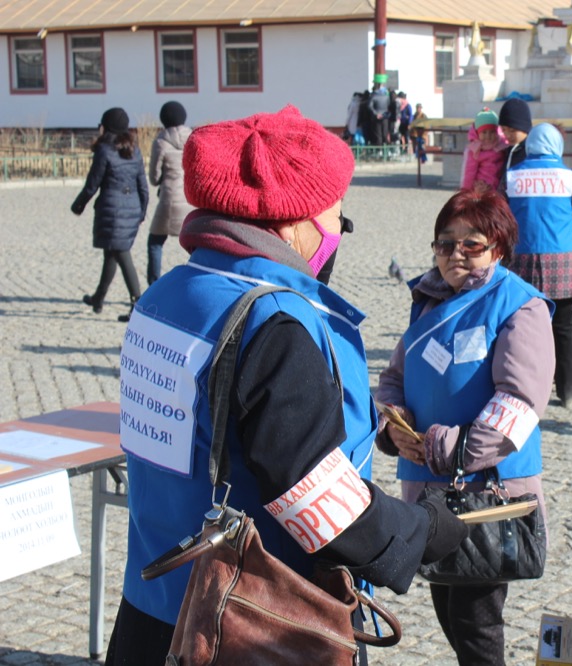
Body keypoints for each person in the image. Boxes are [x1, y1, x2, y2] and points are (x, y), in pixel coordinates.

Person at [105, 106, 468, 665]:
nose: (336, 232)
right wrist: (419, 529)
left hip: (154, 609)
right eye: (335, 217)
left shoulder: (164, 295)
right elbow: (318, 506)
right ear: (292, 222)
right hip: (251, 625)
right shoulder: (273, 325)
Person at [375, 186, 555, 666]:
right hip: (428, 489)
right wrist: (393, 425)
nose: (456, 254)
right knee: (449, 610)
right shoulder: (429, 302)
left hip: (483, 492)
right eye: (444, 243)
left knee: (477, 626)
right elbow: (394, 377)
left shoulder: (520, 305)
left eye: (471, 243)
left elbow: (519, 399)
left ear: (498, 246)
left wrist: (451, 449)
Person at [505, 123, 572, 406]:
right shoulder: (569, 176)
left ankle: (527, 391)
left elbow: (502, 217)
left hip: (522, 261)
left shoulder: (512, 176)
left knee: (525, 328)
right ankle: (568, 392)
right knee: (564, 328)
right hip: (563, 260)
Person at [71, 107, 148, 322]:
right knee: (111, 254)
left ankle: (137, 303)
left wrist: (78, 206)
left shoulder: (105, 150)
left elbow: (92, 184)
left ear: (107, 127)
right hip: (131, 209)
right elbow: (142, 185)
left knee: (122, 254)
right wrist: (142, 210)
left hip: (113, 210)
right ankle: (98, 298)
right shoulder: (135, 149)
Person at [146, 101, 195, 286]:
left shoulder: (161, 142)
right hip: (190, 199)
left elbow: (154, 177)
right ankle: (192, 281)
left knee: (155, 242)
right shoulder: (193, 138)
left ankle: (154, 284)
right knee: (193, 245)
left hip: (169, 199)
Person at [461, 108, 508, 191]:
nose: (488, 136)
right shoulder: (475, 150)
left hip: (499, 188)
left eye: (492, 132)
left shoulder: (502, 145)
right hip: (481, 189)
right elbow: (469, 173)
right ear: (477, 133)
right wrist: (466, 192)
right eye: (484, 132)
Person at [496, 97, 533, 194]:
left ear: (524, 128)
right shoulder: (508, 150)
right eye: (504, 130)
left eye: (512, 130)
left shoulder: (531, 152)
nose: (507, 135)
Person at [368, 77, 391, 146]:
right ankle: (385, 149)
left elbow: (369, 106)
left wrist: (376, 114)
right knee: (384, 133)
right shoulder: (387, 96)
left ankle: (380, 149)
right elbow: (389, 106)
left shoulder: (373, 95)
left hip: (377, 117)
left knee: (378, 134)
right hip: (385, 117)